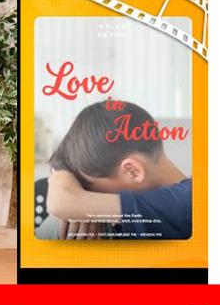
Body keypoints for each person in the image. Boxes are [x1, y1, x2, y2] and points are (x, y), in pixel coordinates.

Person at [46, 100, 191, 240]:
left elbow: (61, 203)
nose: (89, 194)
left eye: (91, 188)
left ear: (132, 171)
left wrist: (83, 207)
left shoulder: (188, 202)